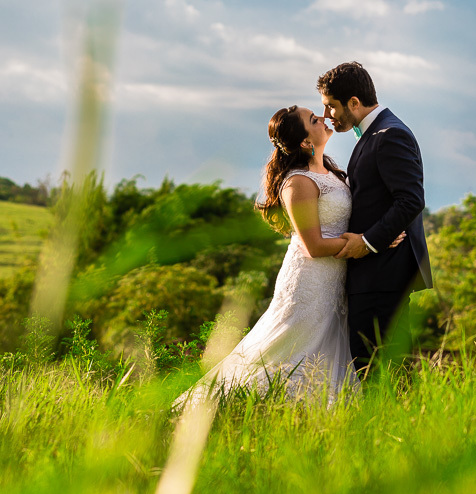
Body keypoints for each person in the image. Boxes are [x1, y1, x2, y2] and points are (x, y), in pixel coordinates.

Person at [174, 105, 404, 408]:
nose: (322, 118)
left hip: (335, 278)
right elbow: (314, 246)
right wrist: (367, 241)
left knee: (326, 348)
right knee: (289, 346)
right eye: (313, 120)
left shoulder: (331, 171)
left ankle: (319, 412)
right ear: (305, 143)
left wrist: (378, 233)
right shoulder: (298, 182)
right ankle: (223, 406)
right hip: (310, 279)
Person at [317, 62, 433, 377]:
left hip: (384, 275)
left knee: (379, 370)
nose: (328, 115)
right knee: (374, 369)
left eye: (331, 106)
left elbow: (411, 200)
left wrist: (368, 242)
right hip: (373, 276)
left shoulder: (390, 134)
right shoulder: (372, 134)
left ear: (354, 102)